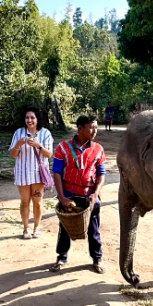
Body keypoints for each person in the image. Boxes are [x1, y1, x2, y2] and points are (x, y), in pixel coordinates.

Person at [50, 115, 106, 274]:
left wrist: (96, 194)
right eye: (91, 127)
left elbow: (101, 174)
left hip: (89, 197)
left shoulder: (98, 149)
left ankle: (97, 258)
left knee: (94, 229)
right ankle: (61, 257)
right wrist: (62, 197)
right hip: (68, 196)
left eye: (96, 127)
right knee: (64, 228)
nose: (95, 130)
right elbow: (57, 173)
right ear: (80, 128)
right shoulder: (62, 148)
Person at [8, 107, 54, 239]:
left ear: (38, 119)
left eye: (32, 117)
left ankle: (36, 227)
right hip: (22, 173)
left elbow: (49, 154)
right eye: (27, 117)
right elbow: (12, 155)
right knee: (24, 202)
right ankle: (26, 229)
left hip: (38, 175)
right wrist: (18, 144)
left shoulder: (45, 133)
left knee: (37, 202)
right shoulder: (19, 133)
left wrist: (39, 146)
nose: (29, 120)